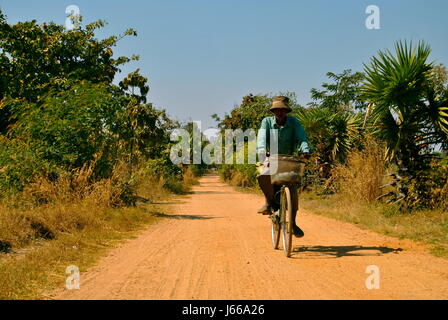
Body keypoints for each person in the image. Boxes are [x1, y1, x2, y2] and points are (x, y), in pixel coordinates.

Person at [256, 96, 311, 238]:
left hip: (289, 159)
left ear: (286, 111)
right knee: (263, 176)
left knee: (293, 187)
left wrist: (305, 150)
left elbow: (302, 138)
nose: (279, 113)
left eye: (282, 110)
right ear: (273, 111)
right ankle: (268, 202)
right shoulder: (266, 122)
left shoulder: (294, 122)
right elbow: (261, 139)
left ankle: (292, 223)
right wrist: (262, 152)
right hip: (271, 157)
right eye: (276, 110)